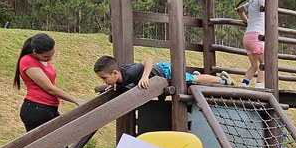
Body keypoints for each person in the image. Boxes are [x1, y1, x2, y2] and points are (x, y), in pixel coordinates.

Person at [13, 32, 84, 148]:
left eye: (52, 56)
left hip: (48, 108)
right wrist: (75, 99)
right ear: (35, 51)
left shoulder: (40, 59)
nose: (49, 60)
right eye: (46, 56)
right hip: (36, 109)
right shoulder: (27, 61)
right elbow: (49, 88)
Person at [93, 55, 232, 92]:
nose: (104, 81)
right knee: (191, 77)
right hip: (160, 72)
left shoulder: (130, 71)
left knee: (194, 78)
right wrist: (113, 85)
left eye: (104, 78)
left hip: (165, 71)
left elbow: (148, 60)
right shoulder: (119, 78)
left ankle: (223, 80)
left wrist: (145, 77)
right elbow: (124, 84)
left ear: (115, 73)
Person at [235, 0, 266, 86]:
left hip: (247, 36)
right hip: (257, 36)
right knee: (264, 63)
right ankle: (260, 86)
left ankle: (244, 85)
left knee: (254, 65)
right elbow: (263, 6)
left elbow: (239, 10)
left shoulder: (252, 0)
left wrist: (247, 21)